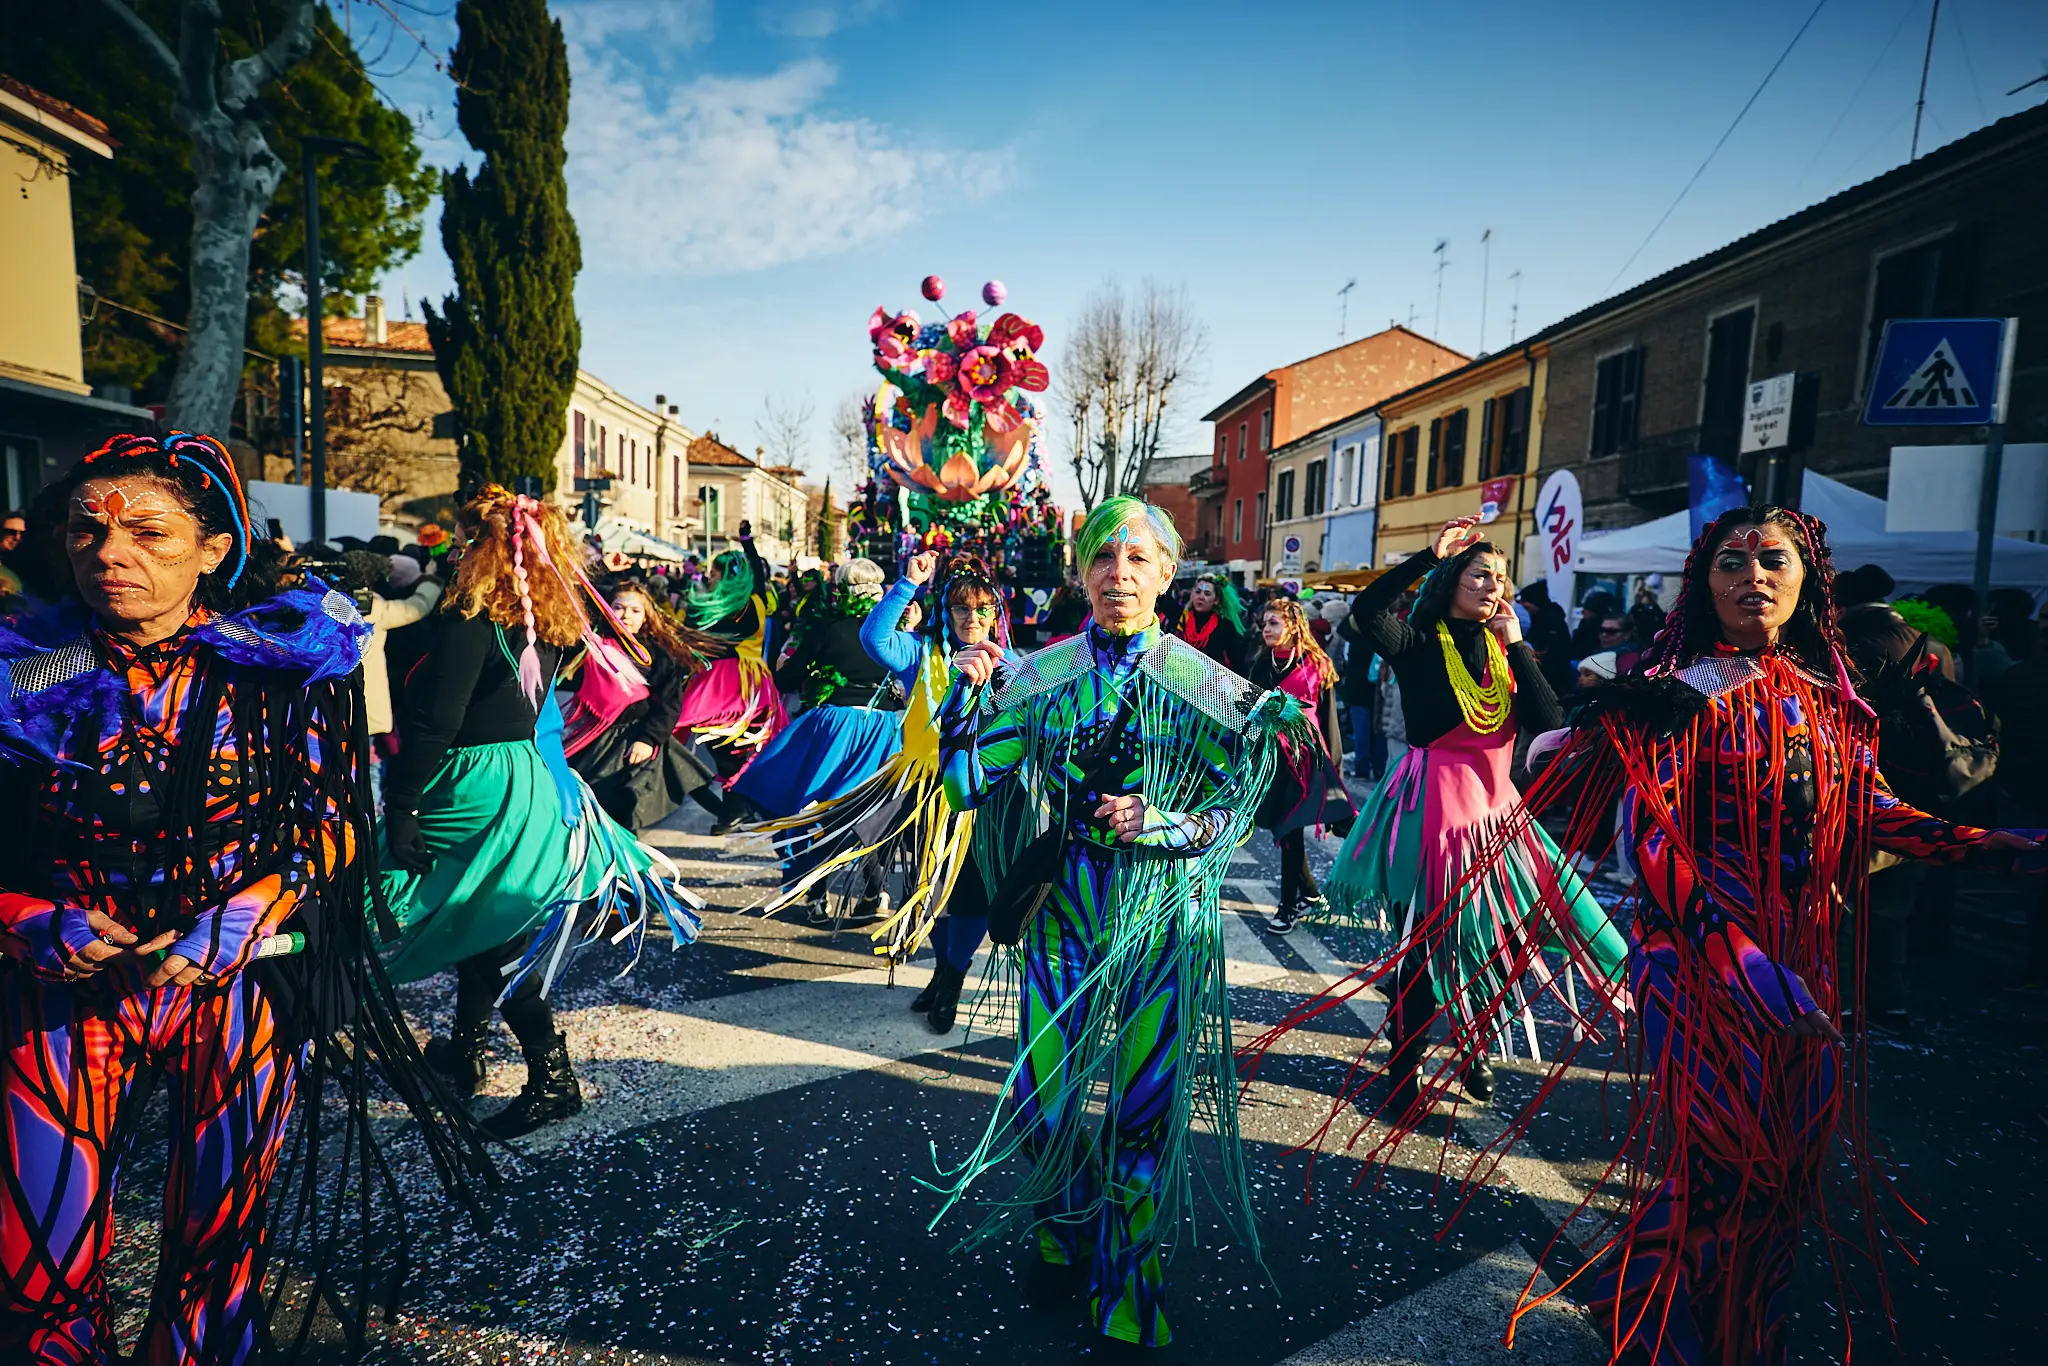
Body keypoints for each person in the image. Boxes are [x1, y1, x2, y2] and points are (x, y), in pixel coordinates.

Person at [1297, 506, 2043, 1366]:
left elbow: (1868, 809)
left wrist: (2001, 848)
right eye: (1731, 562)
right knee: (1719, 1170)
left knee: (1786, 1185)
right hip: (1695, 965)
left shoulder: (1823, 698)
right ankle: (1658, 1332)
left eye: (1773, 560)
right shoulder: (1682, 691)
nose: (1753, 576)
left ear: (1808, 581)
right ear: (1704, 583)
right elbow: (1651, 839)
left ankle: (1744, 1335)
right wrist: (1744, 962)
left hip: (1804, 967)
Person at [0, 432, 492, 1360]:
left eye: (149, 532)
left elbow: (336, 825)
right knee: (37, 1263)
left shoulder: (273, 671)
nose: (112, 555)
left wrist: (250, 909)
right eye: (87, 531)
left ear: (214, 545)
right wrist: (24, 919)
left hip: (230, 998)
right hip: (60, 1001)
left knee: (216, 1258)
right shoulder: (20, 678)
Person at [934, 496, 1306, 1350]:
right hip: (1063, 914)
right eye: (1104, 558)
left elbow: (1239, 808)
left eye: (1139, 560)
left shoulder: (1205, 683)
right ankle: (1066, 1224)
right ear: (1081, 573)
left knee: (1143, 1114)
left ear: (1169, 577)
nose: (1120, 575)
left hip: (1159, 922)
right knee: (1038, 1100)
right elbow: (963, 787)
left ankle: (1125, 1289)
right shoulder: (1038, 676)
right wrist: (964, 698)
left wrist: (1163, 823)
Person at [381, 486, 703, 1141]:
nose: (464, 547)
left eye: (472, 537)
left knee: (460, 920)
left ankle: (551, 1080)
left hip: (477, 786)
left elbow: (437, 720)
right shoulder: (545, 619)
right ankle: (468, 1050)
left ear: (488, 547)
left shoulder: (474, 615)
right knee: (482, 916)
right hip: (527, 781)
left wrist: (403, 805)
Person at [1315, 516, 1626, 1113]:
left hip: (1495, 813)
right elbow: (1368, 612)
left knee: (1491, 942)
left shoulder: (1504, 648)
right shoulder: (1417, 640)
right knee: (1422, 949)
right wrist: (1426, 556)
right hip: (1429, 811)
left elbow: (1547, 720)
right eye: (1480, 573)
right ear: (1451, 579)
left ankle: (1476, 1042)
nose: (1493, 585)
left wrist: (1517, 644)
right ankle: (1402, 1071)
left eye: (1501, 577)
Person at [731, 559, 903, 923]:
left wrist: (785, 665)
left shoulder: (827, 628)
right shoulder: (896, 632)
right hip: (886, 728)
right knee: (870, 811)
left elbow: (788, 681)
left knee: (813, 808)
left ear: (838, 590)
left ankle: (816, 895)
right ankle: (876, 892)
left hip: (835, 727)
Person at [564, 582, 720, 831]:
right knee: (585, 805)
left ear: (647, 616)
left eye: (636, 610)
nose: (626, 615)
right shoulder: (592, 645)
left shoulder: (656, 653)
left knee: (625, 810)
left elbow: (670, 703)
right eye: (619, 607)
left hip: (633, 740)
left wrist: (648, 739)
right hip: (593, 737)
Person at [1249, 597, 1355, 932]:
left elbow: (1328, 719)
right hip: (1271, 758)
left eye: (1274, 623)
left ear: (1293, 626)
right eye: (1264, 623)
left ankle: (1288, 905)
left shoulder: (1317, 665)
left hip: (1306, 757)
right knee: (1282, 827)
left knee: (1290, 828)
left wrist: (1333, 766)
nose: (1266, 629)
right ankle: (1309, 893)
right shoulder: (1259, 664)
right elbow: (1247, 712)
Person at [673, 523, 787, 832]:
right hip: (735, 680)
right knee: (721, 745)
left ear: (730, 575)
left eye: (716, 571)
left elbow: (757, 573)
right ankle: (734, 807)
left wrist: (748, 544)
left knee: (729, 745)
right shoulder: (711, 605)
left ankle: (735, 807)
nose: (710, 576)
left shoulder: (749, 601)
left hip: (734, 681)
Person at [362, 549, 444, 813]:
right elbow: (417, 607)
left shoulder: (322, 603)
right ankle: (370, 831)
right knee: (370, 773)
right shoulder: (370, 608)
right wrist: (431, 581)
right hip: (364, 715)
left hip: (325, 713)